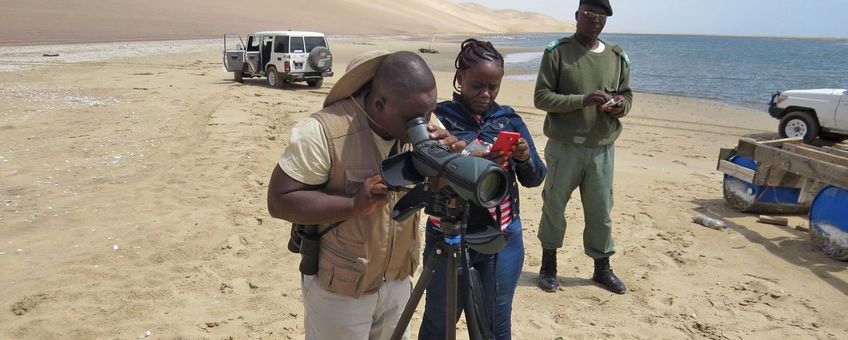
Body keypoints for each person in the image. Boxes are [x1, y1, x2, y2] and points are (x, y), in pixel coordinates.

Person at [267, 50, 464, 340]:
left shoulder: (421, 119)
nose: (424, 123)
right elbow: (280, 200)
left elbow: (439, 189)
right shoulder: (324, 131)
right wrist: (352, 204)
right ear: (379, 104)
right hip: (341, 290)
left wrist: (447, 162)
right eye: (414, 118)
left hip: (398, 280)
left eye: (429, 112)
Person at [419, 39, 547, 340]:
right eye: (477, 85)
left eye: (493, 87)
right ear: (460, 78)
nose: (485, 95)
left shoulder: (507, 119)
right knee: (439, 323)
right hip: (447, 236)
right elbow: (422, 179)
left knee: (494, 326)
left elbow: (535, 178)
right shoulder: (438, 118)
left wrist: (524, 157)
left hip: (502, 237)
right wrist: (463, 159)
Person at [534, 0, 633, 295]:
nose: (595, 20)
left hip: (602, 148)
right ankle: (548, 266)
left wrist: (618, 107)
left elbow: (627, 97)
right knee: (554, 206)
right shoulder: (558, 53)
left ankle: (602, 268)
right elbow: (541, 98)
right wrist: (583, 100)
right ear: (577, 16)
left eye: (601, 16)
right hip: (565, 146)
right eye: (590, 14)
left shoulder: (617, 57)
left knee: (601, 210)